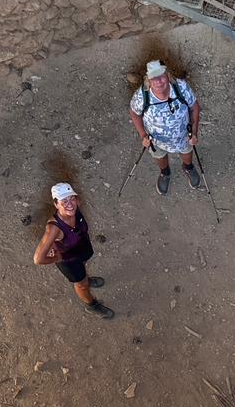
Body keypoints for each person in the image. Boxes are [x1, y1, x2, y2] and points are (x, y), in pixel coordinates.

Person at [32, 182, 114, 319]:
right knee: (81, 285)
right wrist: (58, 257)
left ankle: (86, 279)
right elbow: (38, 259)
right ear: (56, 204)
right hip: (69, 261)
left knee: (83, 270)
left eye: (72, 198)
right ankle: (92, 305)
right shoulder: (54, 228)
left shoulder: (75, 209)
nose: (70, 204)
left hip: (81, 250)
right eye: (64, 201)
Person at [129, 60, 201, 195]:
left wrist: (194, 132)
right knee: (159, 155)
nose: (158, 81)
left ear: (167, 75)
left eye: (161, 76)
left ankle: (188, 167)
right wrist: (143, 135)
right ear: (148, 80)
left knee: (187, 151)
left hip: (184, 135)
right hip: (156, 140)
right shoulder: (142, 96)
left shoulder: (181, 87)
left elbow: (194, 107)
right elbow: (134, 113)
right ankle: (165, 173)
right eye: (153, 78)